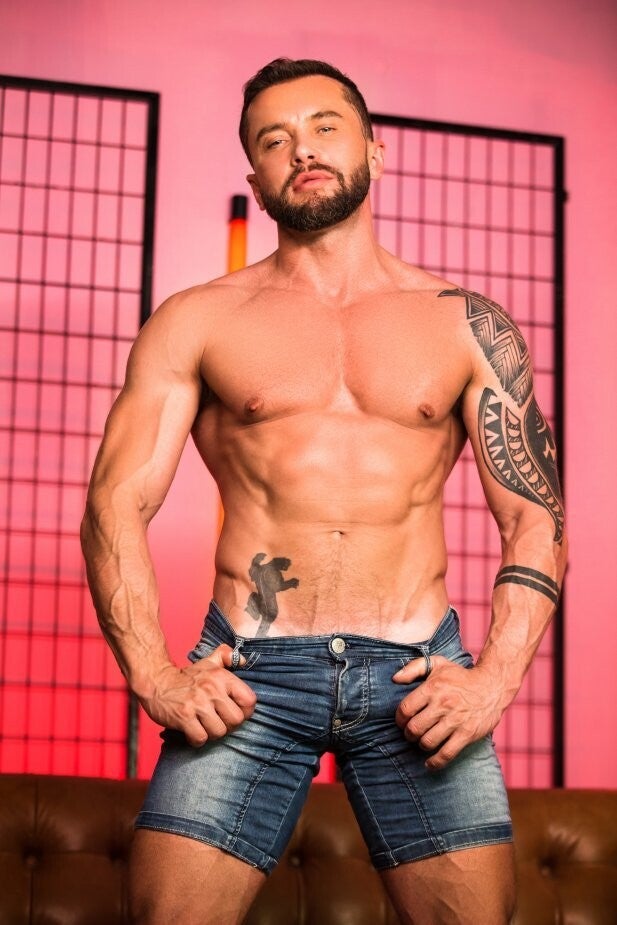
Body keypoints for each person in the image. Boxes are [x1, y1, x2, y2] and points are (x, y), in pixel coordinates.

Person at [81, 57, 567, 925]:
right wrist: (153, 674)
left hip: (419, 678)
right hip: (249, 676)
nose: (301, 149)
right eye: (274, 139)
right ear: (255, 178)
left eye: (323, 127)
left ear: (374, 151)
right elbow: (114, 503)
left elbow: (536, 516)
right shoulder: (197, 319)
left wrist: (491, 680)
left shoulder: (464, 323)